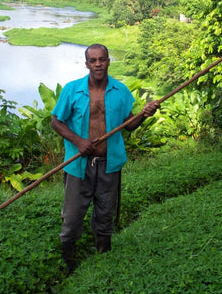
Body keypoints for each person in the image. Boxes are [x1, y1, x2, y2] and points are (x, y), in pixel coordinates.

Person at [51, 43, 160, 274]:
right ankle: (68, 262)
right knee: (71, 217)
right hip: (78, 165)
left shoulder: (120, 91)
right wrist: (79, 142)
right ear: (87, 64)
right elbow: (56, 122)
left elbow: (129, 126)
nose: (98, 64)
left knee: (105, 214)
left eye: (102, 59)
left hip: (109, 165)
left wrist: (144, 114)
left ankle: (103, 259)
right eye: (93, 60)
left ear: (109, 61)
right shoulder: (72, 90)